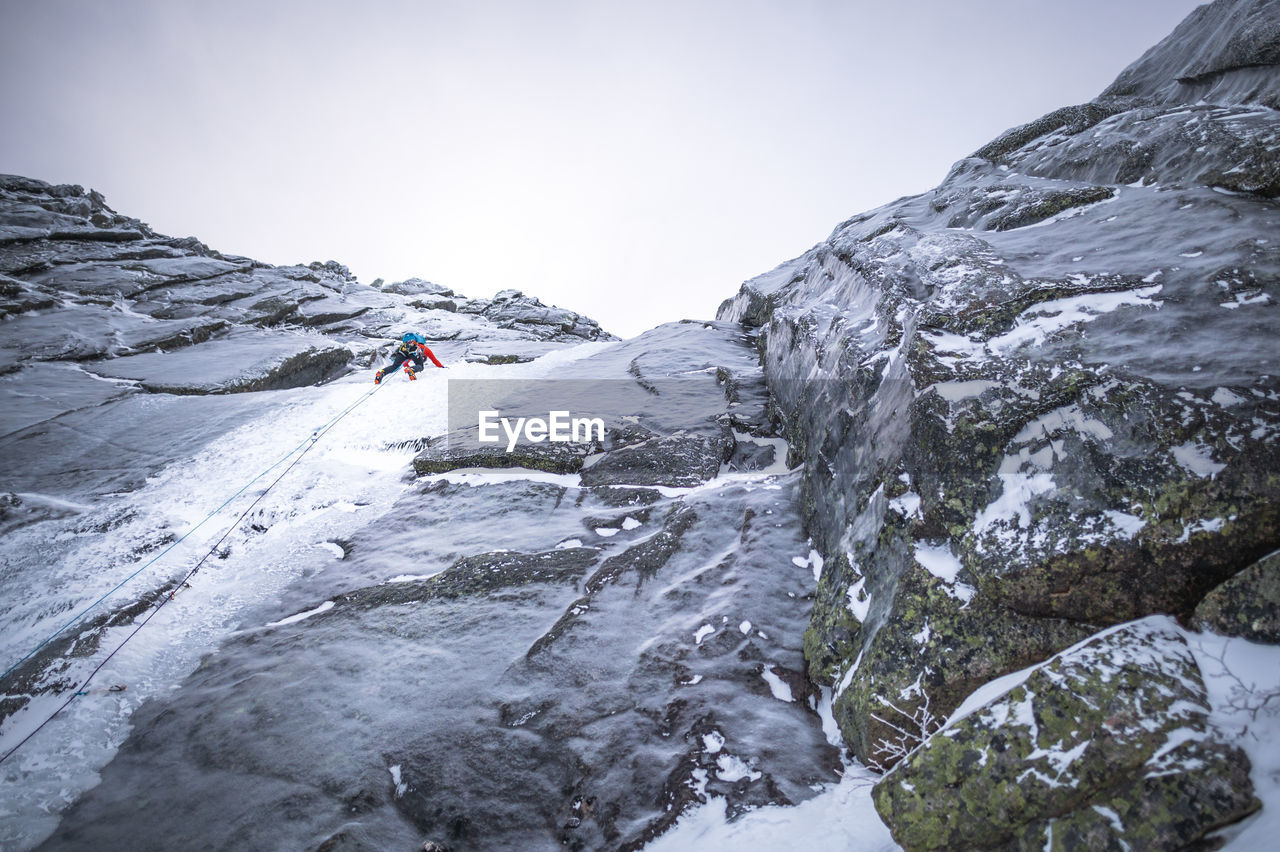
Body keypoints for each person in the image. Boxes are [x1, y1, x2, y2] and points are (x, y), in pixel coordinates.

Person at [375, 333, 445, 383]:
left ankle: (382, 372)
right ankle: (412, 370)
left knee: (394, 367)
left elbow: (405, 363)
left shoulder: (406, 345)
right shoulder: (424, 349)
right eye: (423, 358)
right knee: (420, 366)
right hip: (413, 349)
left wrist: (408, 369)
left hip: (402, 349)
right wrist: (442, 367)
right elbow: (434, 360)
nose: (422, 359)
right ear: (424, 356)